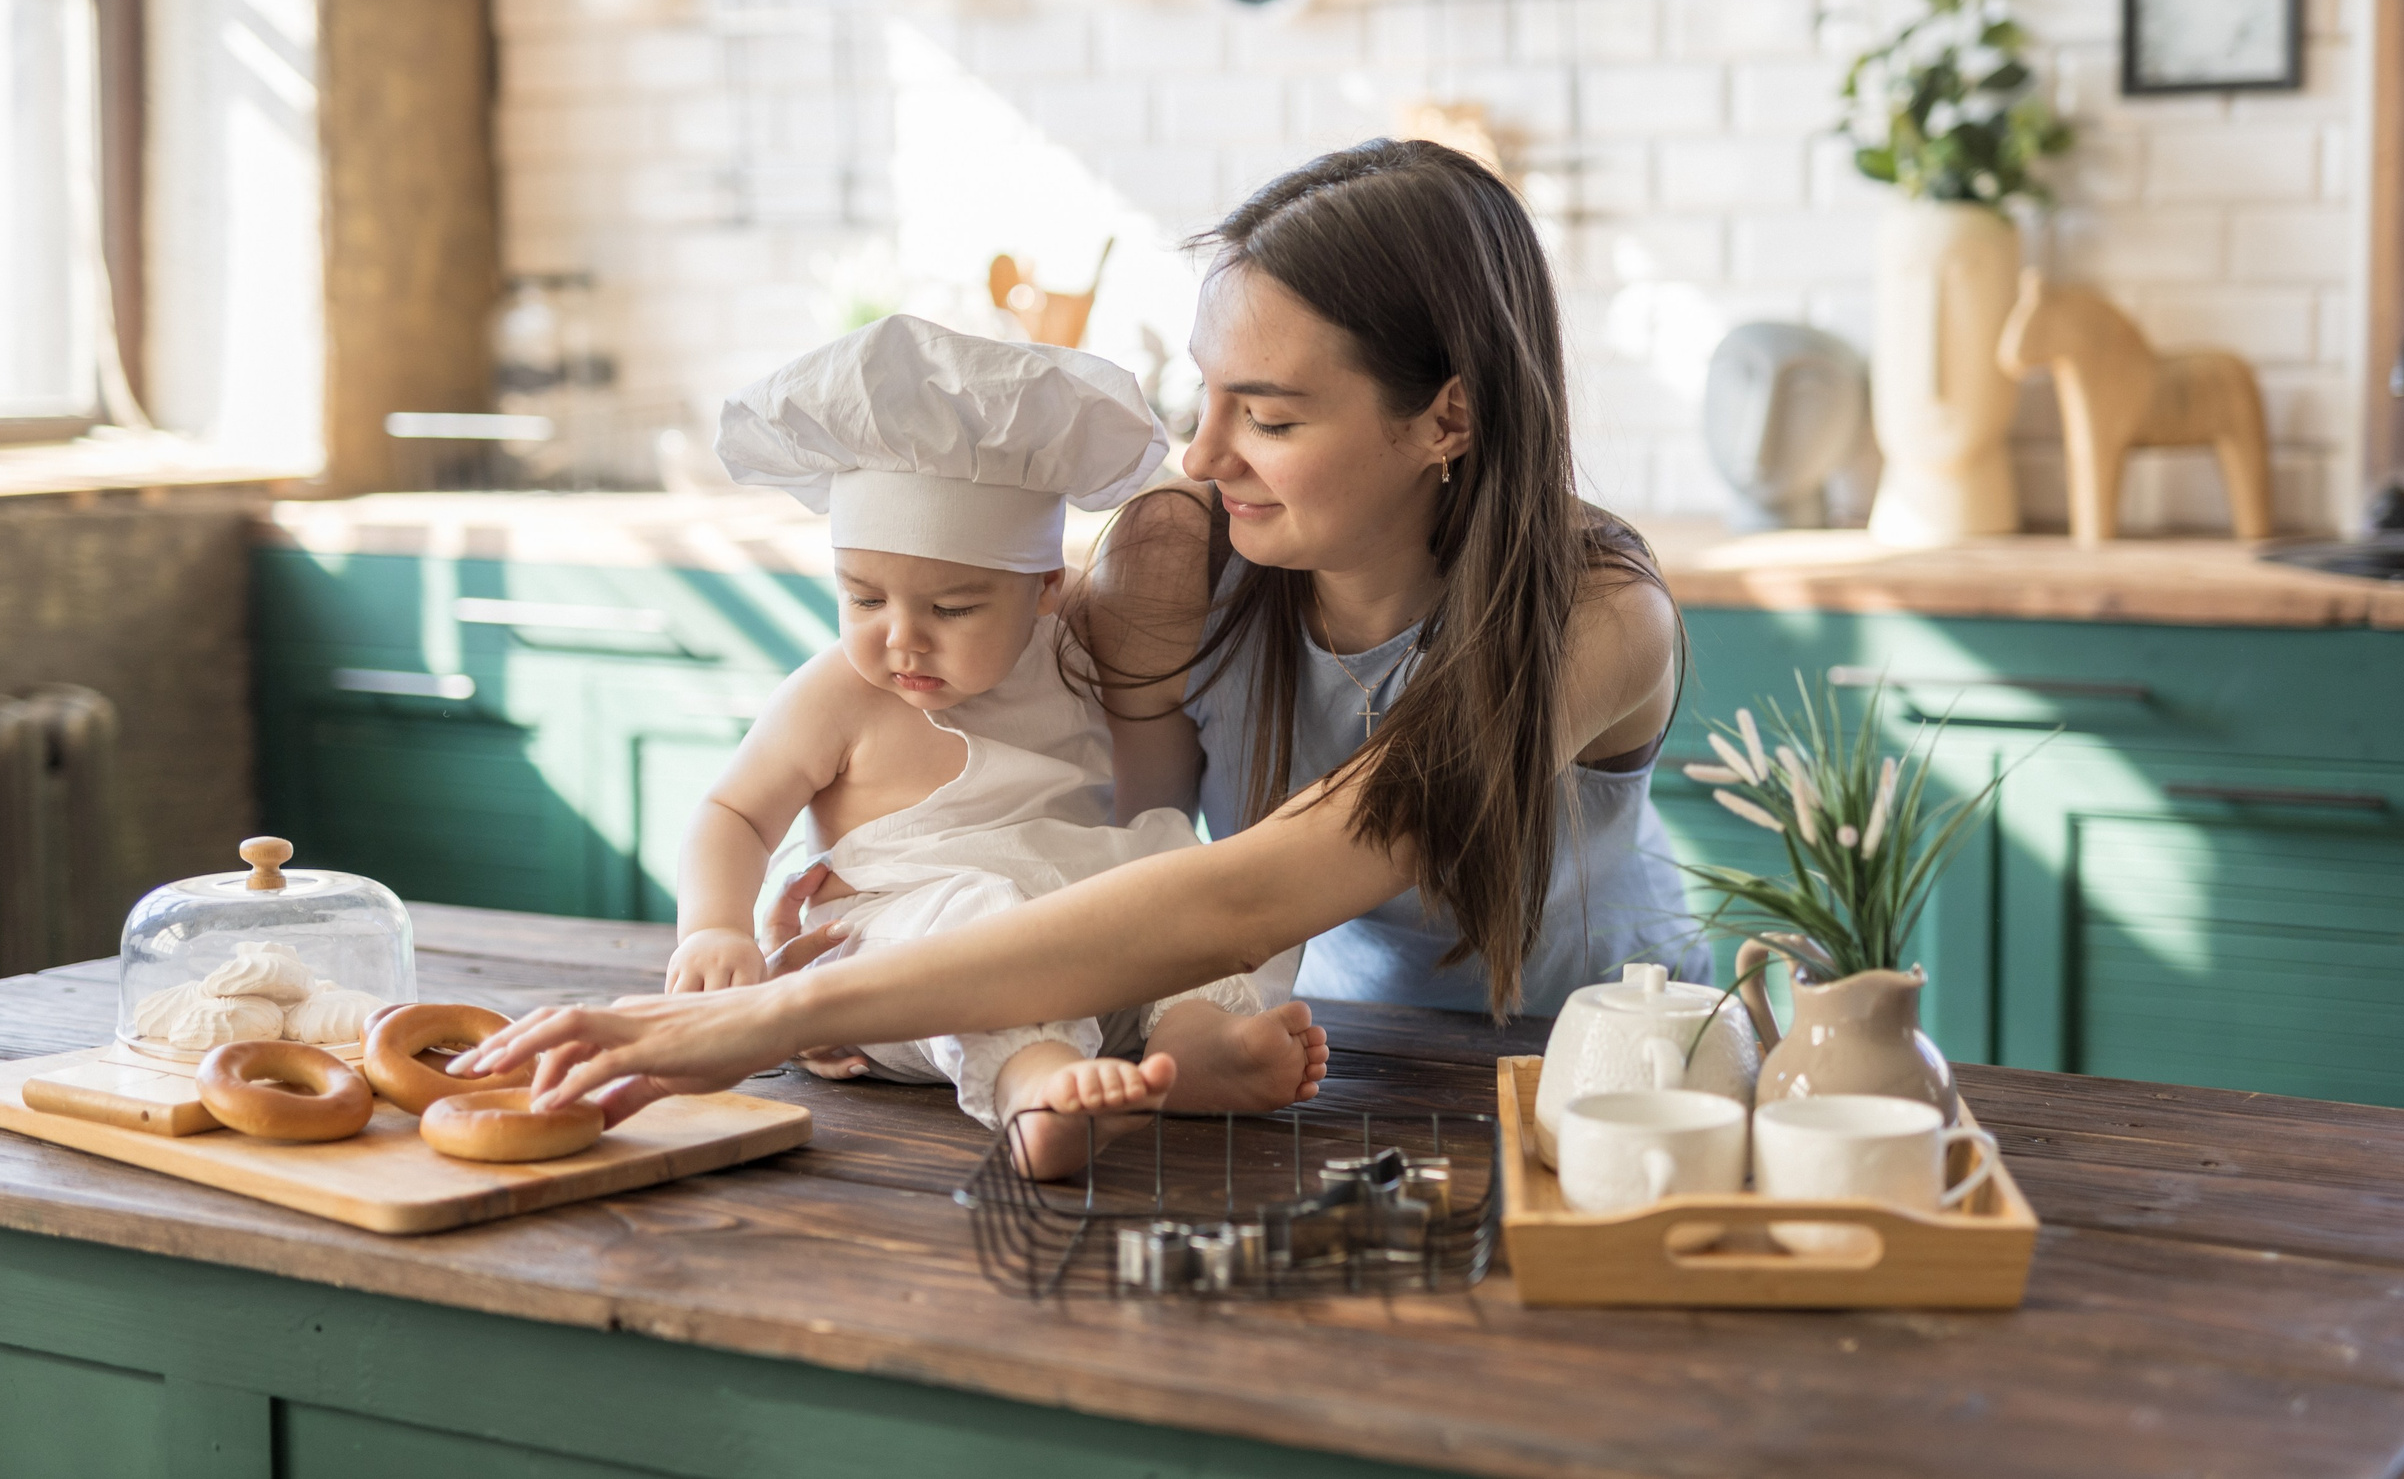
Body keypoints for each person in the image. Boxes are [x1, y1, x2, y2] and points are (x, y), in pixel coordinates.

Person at [459, 140, 1690, 1125]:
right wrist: (870, 930)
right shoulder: (1192, 556)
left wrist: (772, 1018)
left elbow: (1247, 896)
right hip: (1336, 1059)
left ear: (1447, 420)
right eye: (1201, 399)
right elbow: (1097, 842)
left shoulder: (1595, 618)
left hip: (1612, 1081)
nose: (1204, 457)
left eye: (1265, 416)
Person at [659, 315, 1326, 1176]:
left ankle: (1194, 1038)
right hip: (902, 960)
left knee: (1206, 870)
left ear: (1047, 588)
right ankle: (1034, 1089)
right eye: (863, 599)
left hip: (1067, 935)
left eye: (954, 608)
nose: (902, 639)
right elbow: (732, 811)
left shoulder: (1078, 654)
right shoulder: (838, 693)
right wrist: (713, 927)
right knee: (978, 918)